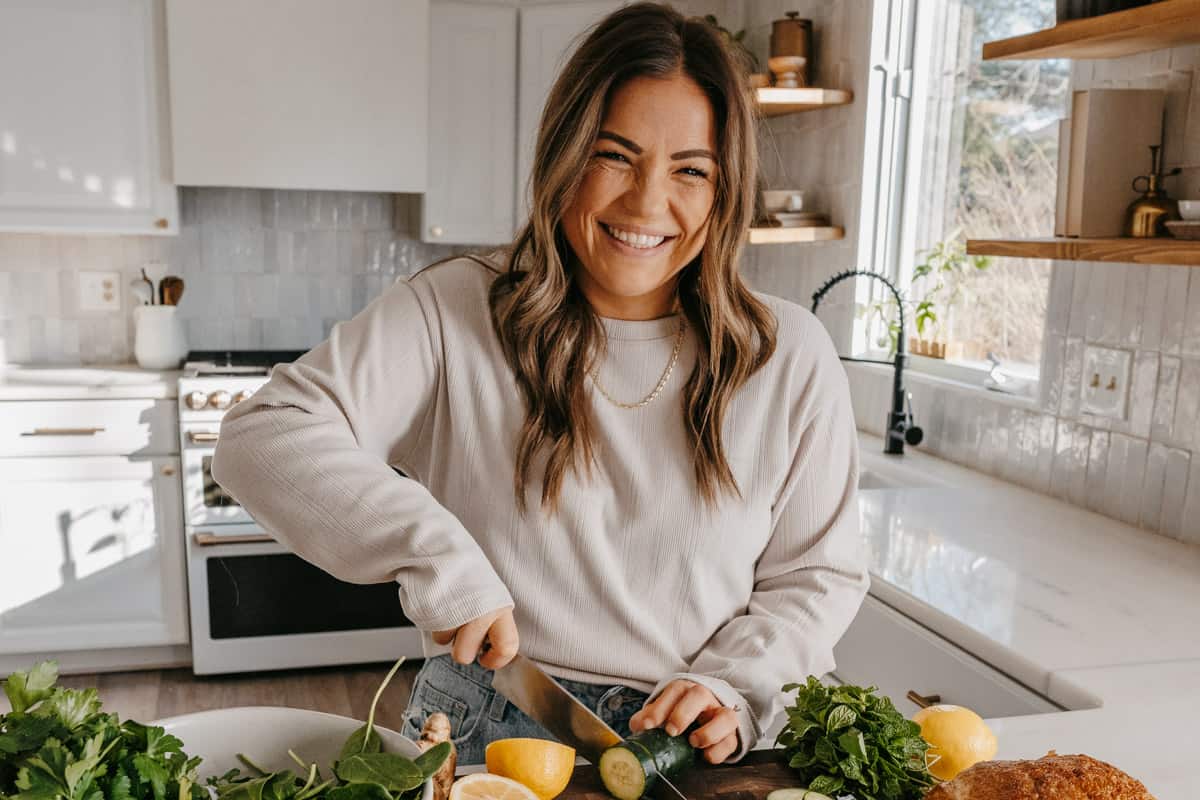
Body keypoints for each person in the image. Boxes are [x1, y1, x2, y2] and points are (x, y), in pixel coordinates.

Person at [211, 2, 867, 768]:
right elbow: (261, 435)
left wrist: (736, 686)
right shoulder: (455, 310)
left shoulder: (789, 353)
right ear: (563, 156)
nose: (647, 203)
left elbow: (816, 574)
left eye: (691, 169)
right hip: (491, 723)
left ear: (726, 189)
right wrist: (438, 558)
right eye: (614, 155)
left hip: (699, 750)